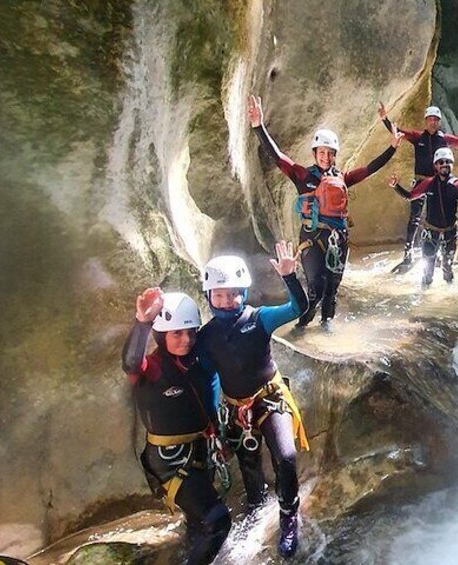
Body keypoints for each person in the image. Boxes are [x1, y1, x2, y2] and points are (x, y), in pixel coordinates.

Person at [196, 242, 310, 559]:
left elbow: (297, 308)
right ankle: (257, 508)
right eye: (219, 294)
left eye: (233, 293)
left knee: (285, 456)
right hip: (234, 406)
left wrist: (290, 277)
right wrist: (213, 418)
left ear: (243, 293)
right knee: (249, 465)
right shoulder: (206, 337)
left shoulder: (258, 319)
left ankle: (289, 518)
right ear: (209, 297)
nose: (227, 300)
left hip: (269, 398)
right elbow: (209, 375)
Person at [249, 95, 403, 328]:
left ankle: (326, 326)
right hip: (312, 238)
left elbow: (370, 168)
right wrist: (259, 127)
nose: (326, 156)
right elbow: (278, 157)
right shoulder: (303, 176)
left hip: (337, 239)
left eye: (330, 153)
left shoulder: (341, 178)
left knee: (332, 288)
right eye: (322, 152)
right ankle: (302, 324)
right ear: (315, 153)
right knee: (316, 288)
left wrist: (392, 147)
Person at [122, 290, 231, 565]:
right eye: (177, 334)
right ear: (162, 335)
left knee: (199, 522)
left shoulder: (197, 361)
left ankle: (191, 551)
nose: (186, 340)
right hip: (170, 460)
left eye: (190, 333)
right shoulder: (153, 368)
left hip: (198, 450)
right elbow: (131, 363)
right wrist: (142, 322)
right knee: (218, 521)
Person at [378, 102, 458, 273]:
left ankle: (439, 253)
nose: (433, 122)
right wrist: (384, 119)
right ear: (426, 121)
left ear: (439, 122)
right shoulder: (418, 137)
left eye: (435, 119)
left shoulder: (445, 139)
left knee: (438, 217)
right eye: (430, 119)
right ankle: (408, 255)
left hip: (438, 183)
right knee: (415, 218)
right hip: (421, 181)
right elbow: (398, 132)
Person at [389, 147, 458, 288]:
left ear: (451, 164)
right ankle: (425, 298)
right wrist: (396, 186)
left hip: (450, 233)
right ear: (436, 166)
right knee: (427, 271)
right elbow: (410, 196)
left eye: (447, 162)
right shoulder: (428, 183)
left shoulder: (457, 185)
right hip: (430, 232)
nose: (444, 164)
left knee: (448, 268)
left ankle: (450, 295)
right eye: (441, 162)